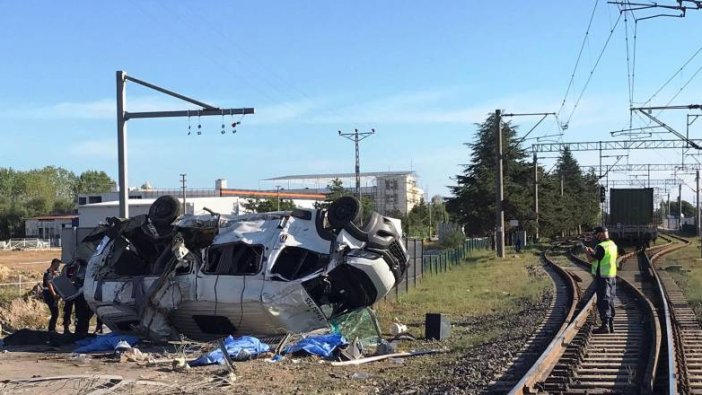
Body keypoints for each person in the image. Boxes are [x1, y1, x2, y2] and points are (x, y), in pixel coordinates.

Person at [585, 226, 618, 334]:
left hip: (602, 276)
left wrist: (588, 252)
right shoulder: (612, 244)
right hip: (611, 276)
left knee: (603, 300)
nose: (596, 236)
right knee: (610, 299)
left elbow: (592, 259)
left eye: (597, 234)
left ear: (601, 234)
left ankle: (605, 325)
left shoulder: (601, 246)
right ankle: (611, 324)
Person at [42, 258, 62, 332]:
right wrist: (54, 295)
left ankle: (52, 328)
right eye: (58, 264)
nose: (59, 266)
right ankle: (51, 329)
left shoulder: (54, 273)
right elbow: (49, 284)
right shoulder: (48, 273)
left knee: (55, 313)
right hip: (49, 294)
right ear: (54, 264)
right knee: (55, 312)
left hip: (53, 294)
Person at [61, 260, 79, 334]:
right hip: (69, 291)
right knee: (68, 310)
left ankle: (78, 328)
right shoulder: (67, 267)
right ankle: (66, 327)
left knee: (78, 311)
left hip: (78, 291)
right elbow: (63, 277)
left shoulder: (81, 267)